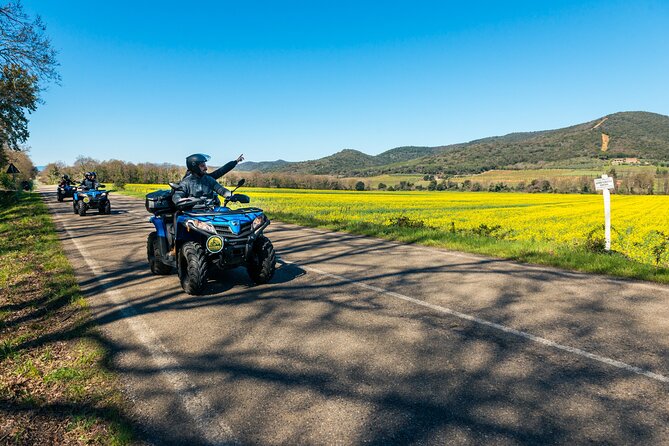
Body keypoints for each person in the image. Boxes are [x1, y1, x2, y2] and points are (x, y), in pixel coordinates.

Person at [172, 153, 244, 206]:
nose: (206, 168)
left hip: (210, 212)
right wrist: (179, 199)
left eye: (205, 165)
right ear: (195, 167)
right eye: (202, 166)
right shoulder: (186, 182)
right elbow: (178, 194)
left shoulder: (209, 179)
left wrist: (232, 196)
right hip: (194, 215)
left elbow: (221, 190)